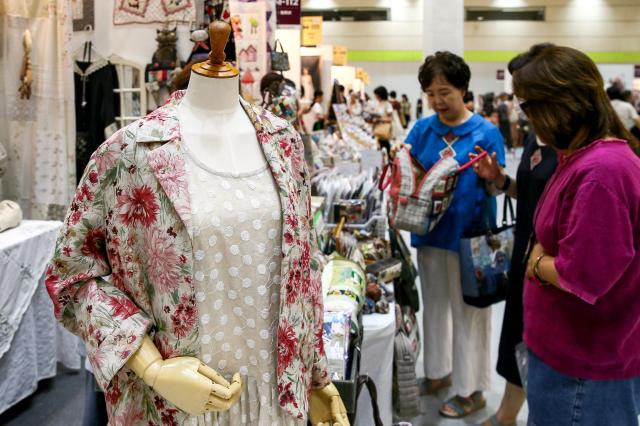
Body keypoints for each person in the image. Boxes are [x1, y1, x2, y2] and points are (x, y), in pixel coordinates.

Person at [511, 43, 640, 425]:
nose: (526, 121)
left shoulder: (602, 172)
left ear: (560, 105)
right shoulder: (582, 158)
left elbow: (584, 274)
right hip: (566, 354)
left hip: (585, 365)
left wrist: (535, 263)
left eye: (529, 108)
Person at [397, 51, 505, 419]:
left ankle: (470, 388)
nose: (438, 101)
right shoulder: (423, 129)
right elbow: (408, 171)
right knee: (436, 307)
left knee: (468, 315)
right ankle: (439, 373)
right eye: (431, 93)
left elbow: (498, 184)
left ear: (463, 89)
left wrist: (494, 179)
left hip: (469, 236)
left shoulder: (485, 132)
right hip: (430, 234)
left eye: (445, 91)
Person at [471, 127, 557, 425]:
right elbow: (529, 192)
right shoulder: (537, 135)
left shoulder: (577, 145)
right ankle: (507, 414)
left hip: (549, 264)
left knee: (545, 344)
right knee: (518, 333)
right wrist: (499, 179)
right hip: (526, 253)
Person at [372, 85, 394, 153]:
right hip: (377, 128)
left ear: (380, 95)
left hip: (384, 129)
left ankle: (389, 161)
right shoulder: (378, 104)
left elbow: (390, 119)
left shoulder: (388, 104)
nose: (375, 96)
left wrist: (379, 119)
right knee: (379, 146)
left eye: (376, 95)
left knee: (385, 146)